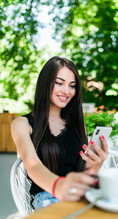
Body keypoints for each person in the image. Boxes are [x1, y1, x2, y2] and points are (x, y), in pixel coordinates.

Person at [11, 56, 108, 210]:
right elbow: (32, 164)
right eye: (59, 83)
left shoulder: (77, 124)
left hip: (81, 195)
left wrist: (95, 166)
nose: (66, 91)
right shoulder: (22, 124)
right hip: (47, 196)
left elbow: (83, 174)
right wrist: (59, 187)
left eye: (72, 85)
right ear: (45, 83)